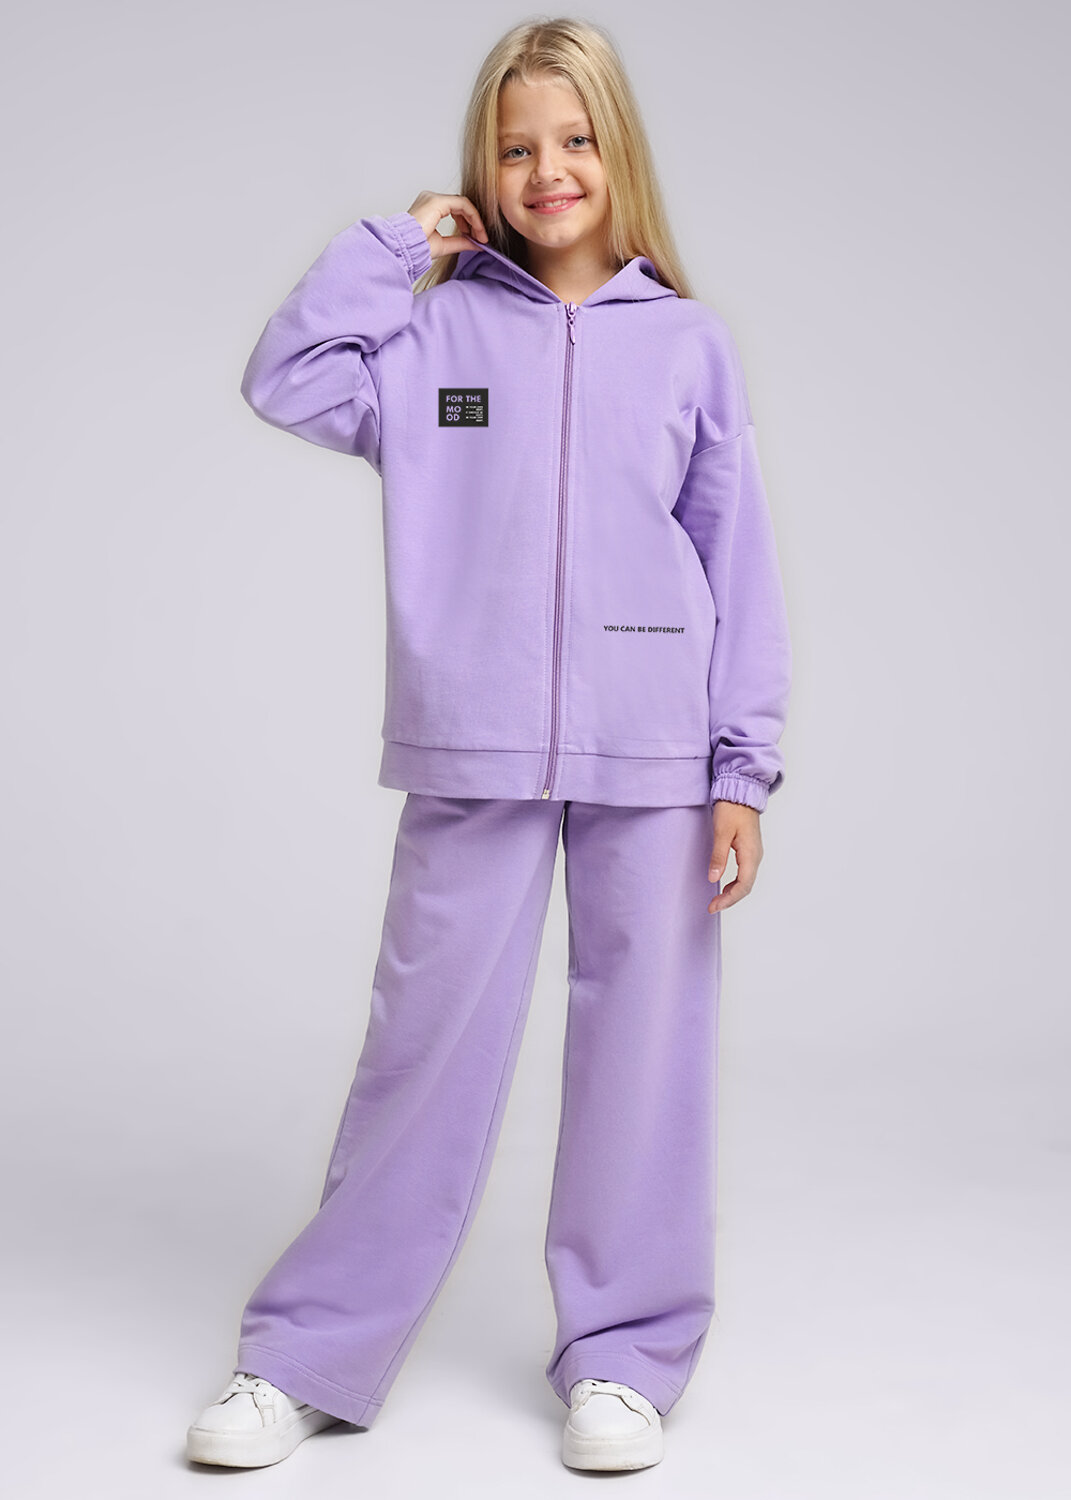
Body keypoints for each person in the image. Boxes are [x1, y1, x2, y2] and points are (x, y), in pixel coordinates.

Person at [185, 14, 791, 1476]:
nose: (548, 169)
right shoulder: (431, 332)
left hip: (657, 749)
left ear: (617, 152)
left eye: (575, 140)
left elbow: (737, 561)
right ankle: (310, 1352)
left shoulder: (688, 346)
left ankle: (626, 1360)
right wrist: (399, 248)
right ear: (483, 168)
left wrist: (740, 768)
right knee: (422, 1053)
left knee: (646, 1061)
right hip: (473, 744)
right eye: (517, 147)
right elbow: (285, 376)